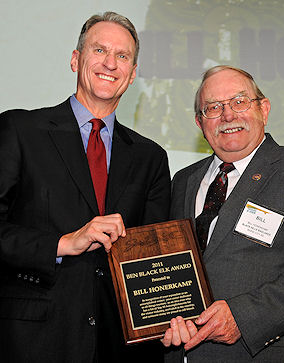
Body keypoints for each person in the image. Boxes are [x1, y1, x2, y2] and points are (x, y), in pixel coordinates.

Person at [0, 11, 170, 363]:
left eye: (122, 56)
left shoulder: (151, 157)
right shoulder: (19, 130)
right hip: (29, 341)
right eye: (99, 50)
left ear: (133, 73)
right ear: (76, 60)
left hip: (117, 347)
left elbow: (154, 261)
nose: (110, 63)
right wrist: (63, 243)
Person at [162, 65, 284, 362]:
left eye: (239, 101)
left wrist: (244, 316)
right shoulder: (183, 181)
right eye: (213, 107)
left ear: (264, 108)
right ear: (199, 122)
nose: (228, 115)